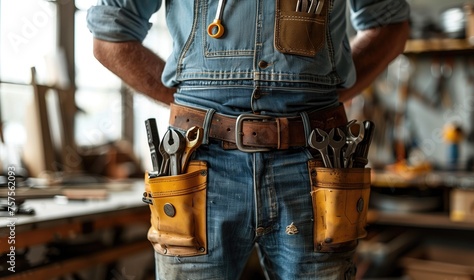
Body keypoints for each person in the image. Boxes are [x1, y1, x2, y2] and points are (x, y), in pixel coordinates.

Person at [87, 0, 409, 279]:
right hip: (198, 159)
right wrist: (187, 108)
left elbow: (390, 27)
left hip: (315, 158)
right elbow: (110, 38)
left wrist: (328, 102)